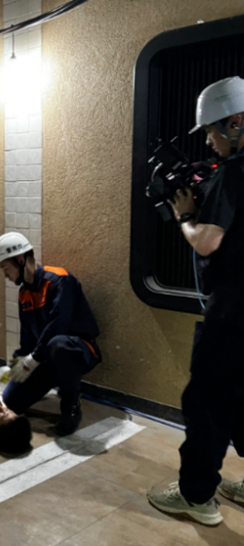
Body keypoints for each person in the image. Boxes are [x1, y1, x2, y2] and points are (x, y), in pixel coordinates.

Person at [146, 76, 244, 526]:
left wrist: (186, 216)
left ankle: (195, 496)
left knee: (206, 405)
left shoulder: (234, 174)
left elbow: (207, 241)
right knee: (241, 403)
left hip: (231, 316)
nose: (208, 141)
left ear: (236, 123)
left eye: (211, 131)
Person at [0, 232, 101, 436]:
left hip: (77, 350)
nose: (6, 275)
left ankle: (71, 406)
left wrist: (33, 359)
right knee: (11, 401)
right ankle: (51, 379)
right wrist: (14, 367)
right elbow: (27, 340)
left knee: (58, 344)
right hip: (45, 358)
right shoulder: (24, 293)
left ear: (20, 259)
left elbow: (59, 325)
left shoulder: (59, 280)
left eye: (5, 268)